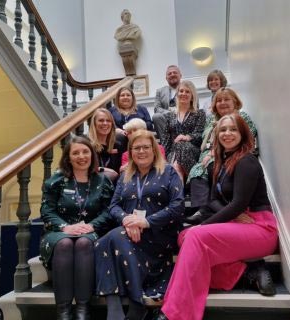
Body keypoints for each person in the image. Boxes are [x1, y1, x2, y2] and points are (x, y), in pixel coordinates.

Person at [154, 114, 278, 320]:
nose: (227, 134)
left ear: (243, 133)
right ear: (216, 135)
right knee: (184, 236)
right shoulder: (220, 163)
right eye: (223, 130)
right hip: (239, 224)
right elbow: (212, 201)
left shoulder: (247, 160)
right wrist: (230, 214)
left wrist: (204, 226)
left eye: (233, 129)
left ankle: (175, 313)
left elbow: (239, 203)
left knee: (195, 237)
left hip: (260, 227)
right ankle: (244, 272)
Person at [94, 130, 185, 320]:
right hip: (129, 231)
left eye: (146, 147)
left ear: (154, 150)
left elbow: (178, 206)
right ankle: (122, 304)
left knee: (112, 239)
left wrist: (146, 222)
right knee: (105, 241)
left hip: (159, 233)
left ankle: (132, 305)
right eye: (137, 148)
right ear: (130, 151)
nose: (141, 151)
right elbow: (114, 206)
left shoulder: (168, 171)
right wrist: (127, 220)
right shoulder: (126, 174)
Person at [40, 136, 115, 320]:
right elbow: (46, 210)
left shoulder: (102, 181)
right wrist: (65, 227)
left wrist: (91, 225)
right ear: (68, 157)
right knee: (65, 244)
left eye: (85, 151)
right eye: (75, 153)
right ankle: (63, 311)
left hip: (90, 232)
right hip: (59, 232)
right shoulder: (56, 181)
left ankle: (83, 309)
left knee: (82, 243)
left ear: (92, 154)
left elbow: (109, 211)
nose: (81, 156)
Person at [186, 87, 257, 223]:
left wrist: (214, 153)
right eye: (219, 100)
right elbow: (203, 138)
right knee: (197, 170)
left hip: (230, 152)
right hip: (208, 153)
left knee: (212, 166)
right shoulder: (210, 120)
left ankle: (219, 211)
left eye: (226, 99)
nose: (222, 102)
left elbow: (249, 134)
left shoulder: (242, 117)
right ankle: (202, 209)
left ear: (235, 102)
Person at [161, 80, 206, 181]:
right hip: (173, 153)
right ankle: (189, 185)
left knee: (181, 145)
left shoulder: (199, 113)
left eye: (187, 91)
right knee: (176, 166)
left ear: (192, 95)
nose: (183, 94)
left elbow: (200, 134)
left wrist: (187, 137)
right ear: (177, 94)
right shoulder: (169, 116)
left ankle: (190, 182)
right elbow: (165, 139)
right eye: (181, 91)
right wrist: (163, 158)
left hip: (192, 150)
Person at [88, 107, 123, 182]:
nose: (105, 123)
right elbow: (85, 168)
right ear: (94, 123)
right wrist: (106, 170)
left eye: (108, 121)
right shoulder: (87, 145)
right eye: (101, 120)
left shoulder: (117, 145)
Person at [152, 65, 182, 140]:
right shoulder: (160, 91)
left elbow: (195, 105)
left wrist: (180, 113)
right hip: (166, 120)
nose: (172, 75)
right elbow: (157, 108)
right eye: (169, 74)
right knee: (156, 116)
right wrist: (170, 113)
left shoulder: (188, 89)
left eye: (175, 72)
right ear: (166, 78)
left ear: (180, 75)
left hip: (183, 118)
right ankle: (165, 145)